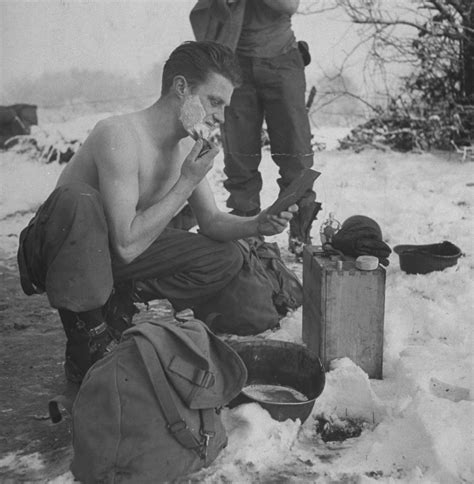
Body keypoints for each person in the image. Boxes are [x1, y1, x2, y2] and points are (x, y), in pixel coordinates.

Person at [17, 41, 297, 383]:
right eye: (214, 101)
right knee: (79, 200)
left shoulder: (185, 147)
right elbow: (125, 244)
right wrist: (185, 183)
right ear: (181, 88)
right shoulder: (119, 134)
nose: (221, 117)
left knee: (224, 257)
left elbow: (210, 222)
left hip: (113, 253)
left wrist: (258, 222)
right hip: (59, 253)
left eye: (225, 106)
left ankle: (118, 304)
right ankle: (85, 338)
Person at [190, 0, 321, 255]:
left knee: (296, 155)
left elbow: (289, 5)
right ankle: (245, 232)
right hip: (234, 61)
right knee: (239, 157)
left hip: (282, 60)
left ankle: (300, 234)